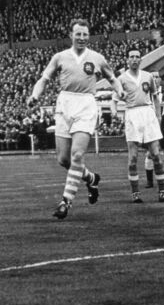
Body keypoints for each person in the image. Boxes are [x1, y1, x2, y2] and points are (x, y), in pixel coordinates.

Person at [27, 18, 123, 220]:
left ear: (89, 36)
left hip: (86, 104)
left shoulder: (97, 58)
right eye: (78, 34)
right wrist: (35, 96)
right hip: (64, 104)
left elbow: (112, 78)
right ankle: (91, 178)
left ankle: (65, 202)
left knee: (77, 155)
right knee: (64, 159)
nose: (81, 38)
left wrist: (120, 91)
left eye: (85, 34)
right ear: (71, 35)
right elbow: (43, 80)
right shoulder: (59, 57)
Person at [116, 48, 164, 203]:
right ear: (127, 60)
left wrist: (158, 116)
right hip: (132, 114)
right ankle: (136, 193)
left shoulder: (147, 76)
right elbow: (115, 97)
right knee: (132, 158)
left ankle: (162, 192)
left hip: (147, 113)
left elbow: (155, 97)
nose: (134, 59)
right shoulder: (122, 79)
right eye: (131, 56)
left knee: (156, 156)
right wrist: (115, 112)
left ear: (140, 60)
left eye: (137, 57)